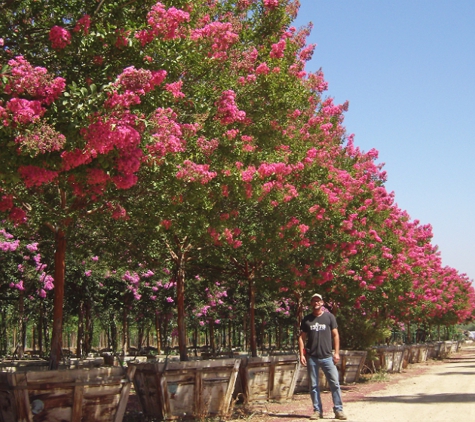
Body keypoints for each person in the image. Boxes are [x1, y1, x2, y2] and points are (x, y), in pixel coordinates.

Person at [298, 293, 347, 420]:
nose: (316, 303)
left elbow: (336, 335)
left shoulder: (329, 317)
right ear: (311, 304)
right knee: (313, 385)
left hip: (327, 357)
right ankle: (317, 411)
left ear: (322, 303)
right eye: (314, 301)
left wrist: (336, 352)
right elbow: (301, 337)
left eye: (318, 301)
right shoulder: (307, 320)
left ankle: (338, 410)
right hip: (312, 357)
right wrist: (302, 354)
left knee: (334, 384)